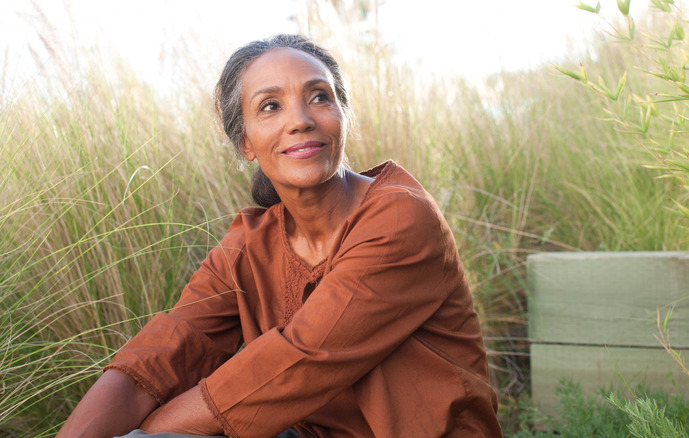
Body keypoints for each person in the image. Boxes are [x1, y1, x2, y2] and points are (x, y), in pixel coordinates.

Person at [57, 34, 502, 438]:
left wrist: (145, 433)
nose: (300, 120)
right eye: (270, 106)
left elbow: (301, 360)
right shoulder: (250, 245)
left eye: (319, 97)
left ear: (343, 116)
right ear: (246, 143)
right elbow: (165, 352)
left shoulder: (400, 216)